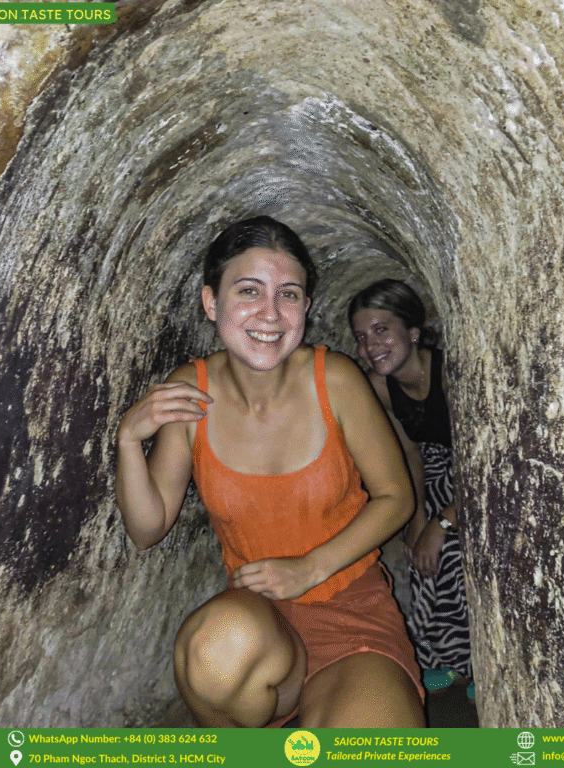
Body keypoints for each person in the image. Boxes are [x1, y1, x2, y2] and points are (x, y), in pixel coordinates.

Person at [115, 217, 425, 728]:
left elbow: (397, 497)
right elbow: (147, 529)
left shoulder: (335, 379)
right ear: (211, 302)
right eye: (249, 291)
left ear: (306, 306)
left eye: (289, 294)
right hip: (261, 620)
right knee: (215, 646)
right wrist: (128, 439)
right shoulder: (191, 391)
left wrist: (310, 567)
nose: (271, 313)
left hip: (352, 612)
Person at [349, 279, 472, 694]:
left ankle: (478, 659)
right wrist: (417, 519)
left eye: (382, 330)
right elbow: (409, 453)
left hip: (478, 470)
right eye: (361, 337)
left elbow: (484, 462)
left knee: (452, 548)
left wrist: (442, 523)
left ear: (413, 331)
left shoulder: (449, 372)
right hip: (434, 466)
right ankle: (443, 655)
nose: (371, 346)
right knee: (417, 546)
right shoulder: (380, 386)